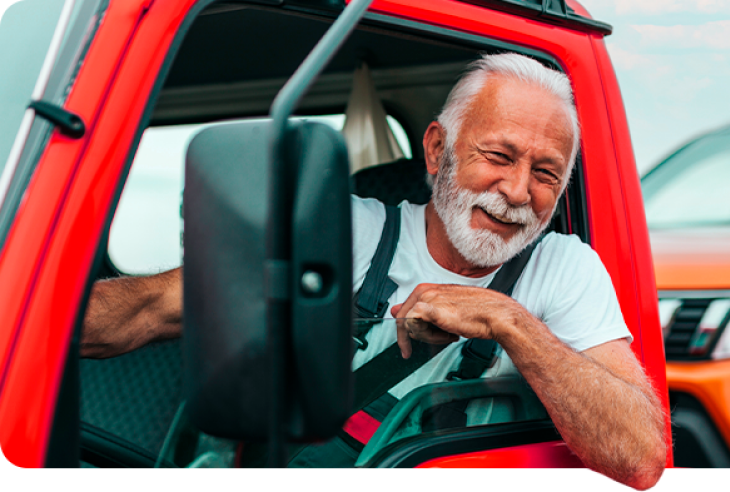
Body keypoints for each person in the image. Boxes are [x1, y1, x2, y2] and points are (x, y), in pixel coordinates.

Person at [81, 53, 666, 487]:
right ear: (438, 150)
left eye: (545, 173)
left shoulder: (565, 269)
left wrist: (507, 319)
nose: (517, 191)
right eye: (499, 156)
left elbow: (640, 461)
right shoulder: (344, 229)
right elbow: (150, 308)